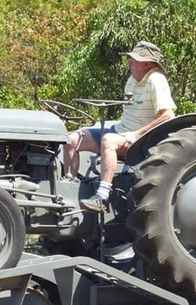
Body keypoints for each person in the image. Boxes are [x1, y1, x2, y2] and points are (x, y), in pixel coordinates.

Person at [63, 41, 176, 212]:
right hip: (121, 130)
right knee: (71, 139)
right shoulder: (132, 80)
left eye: (134, 60)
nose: (130, 63)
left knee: (108, 141)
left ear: (146, 64)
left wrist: (136, 135)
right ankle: (69, 186)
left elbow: (168, 115)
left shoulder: (156, 79)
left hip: (141, 139)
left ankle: (101, 197)